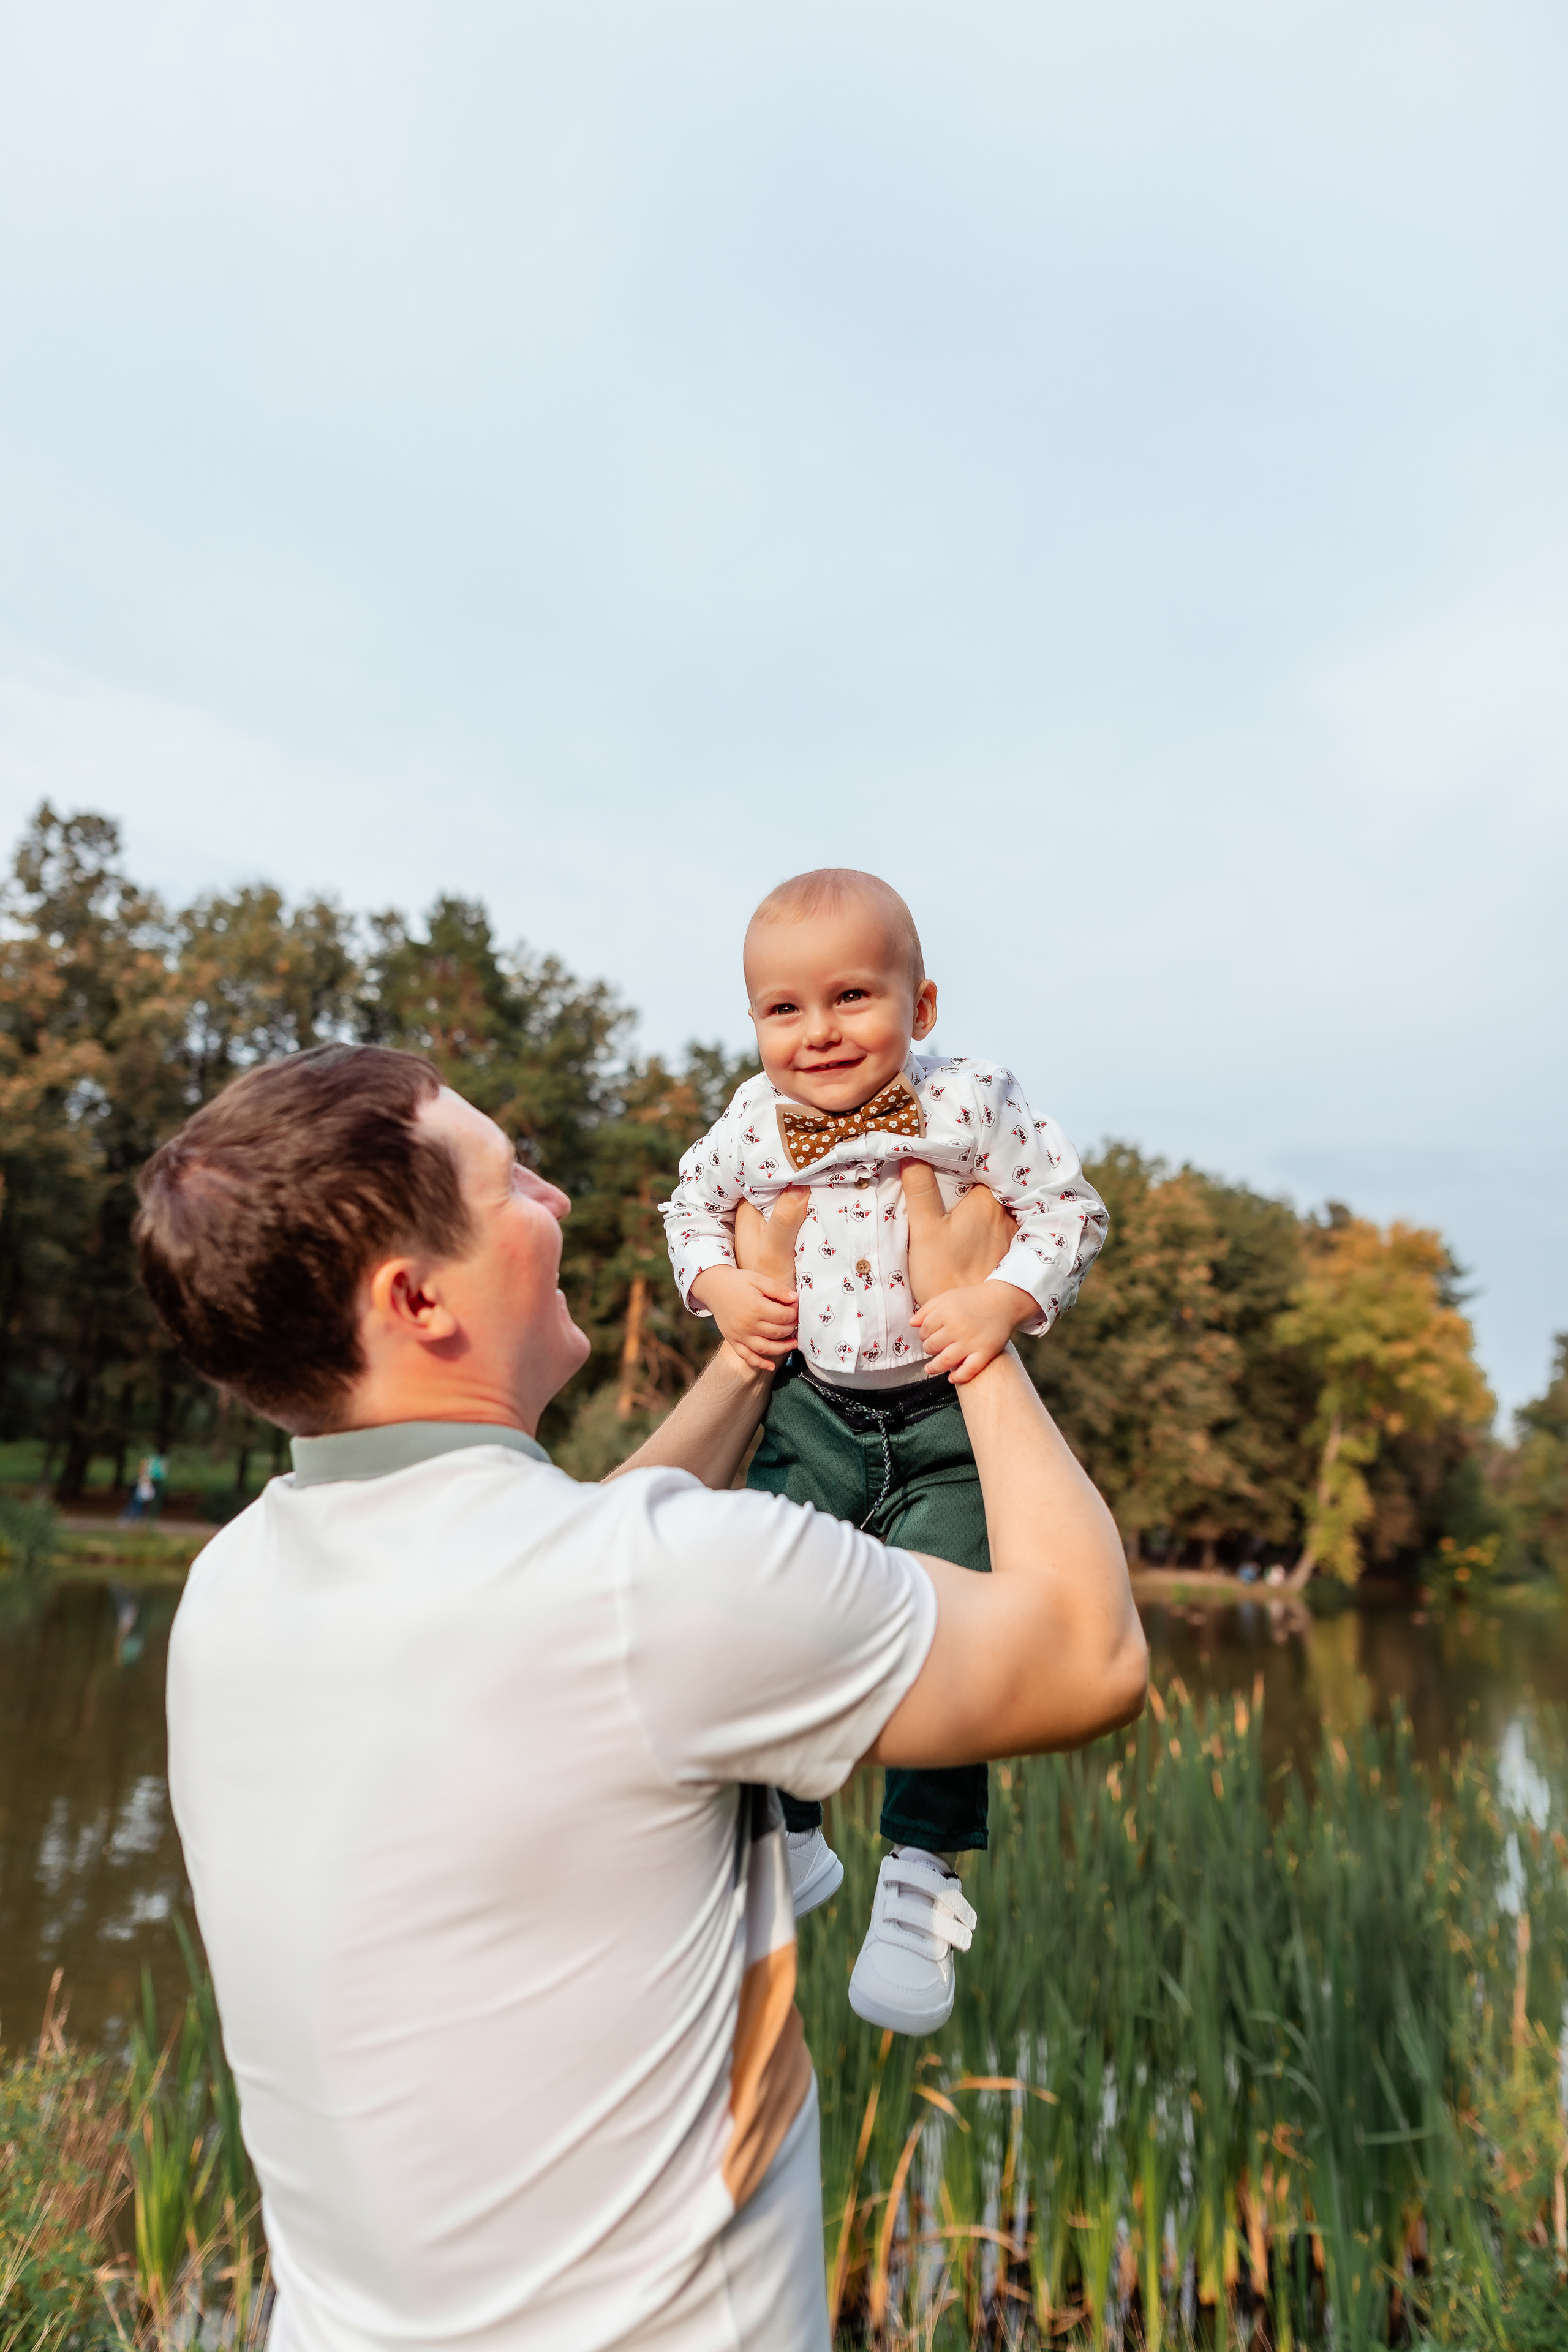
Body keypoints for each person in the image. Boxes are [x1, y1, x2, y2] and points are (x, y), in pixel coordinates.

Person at [135, 1042, 1144, 2352]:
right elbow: (1086, 1656)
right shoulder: (648, 1590)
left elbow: (578, 1566)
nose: (553, 1199)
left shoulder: (231, 1587)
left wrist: (749, 1356)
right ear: (417, 1298)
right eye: (509, 1183)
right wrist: (972, 1326)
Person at [661, 867, 1108, 2034]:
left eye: (852, 996)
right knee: (760, 1600)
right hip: (811, 1406)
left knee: (955, 1633)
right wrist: (721, 1288)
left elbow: (1069, 1210)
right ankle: (787, 1820)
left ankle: (921, 1875)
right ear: (754, 1021)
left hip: (947, 1416)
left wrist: (1004, 1300)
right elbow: (689, 1212)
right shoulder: (751, 1123)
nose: (818, 1031)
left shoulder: (973, 1100)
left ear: (922, 1007)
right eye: (784, 1009)